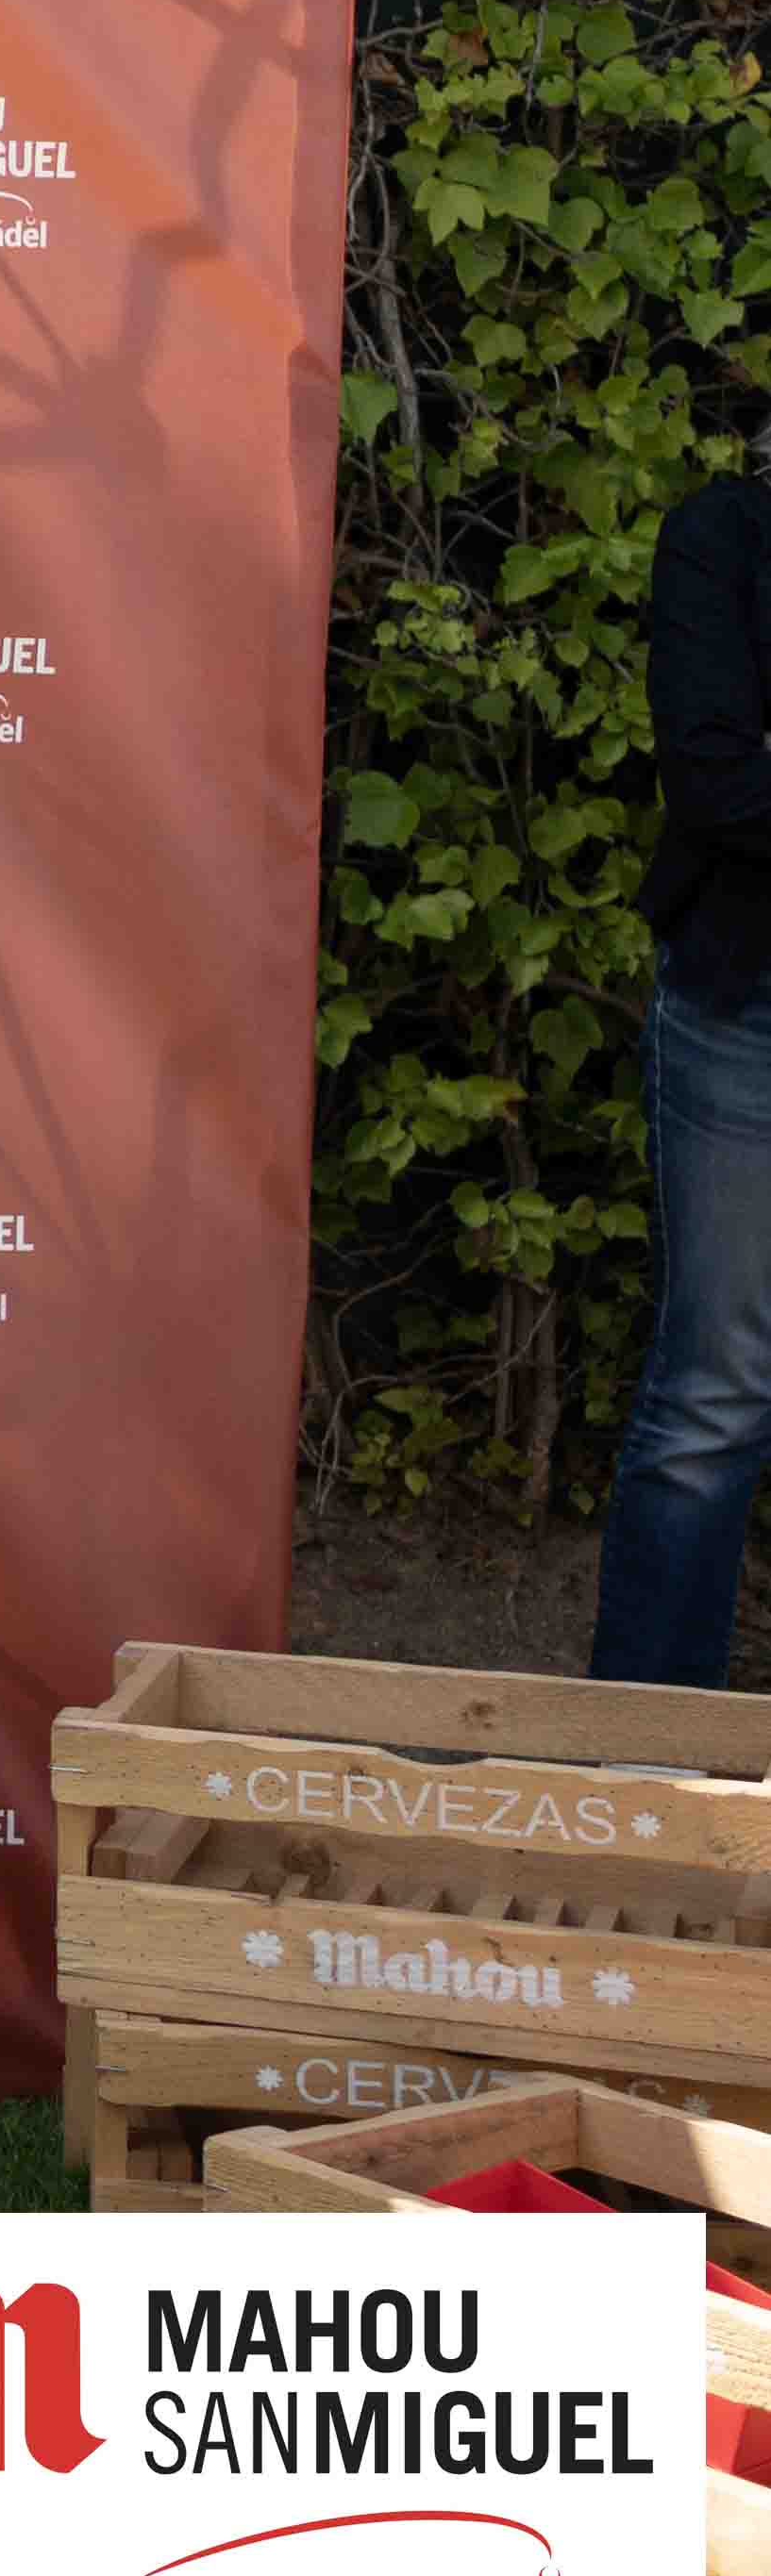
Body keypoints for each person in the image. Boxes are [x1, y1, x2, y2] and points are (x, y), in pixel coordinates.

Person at [595, 464, 771, 1686]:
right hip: (746, 1004)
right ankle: (638, 1761)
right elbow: (715, 781)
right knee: (716, 1397)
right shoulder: (723, 535)